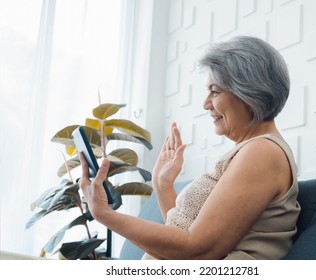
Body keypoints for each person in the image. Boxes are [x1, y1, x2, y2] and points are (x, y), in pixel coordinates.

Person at [79, 35, 301, 260]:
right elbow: (184, 238)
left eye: (214, 91)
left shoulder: (262, 152)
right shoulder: (252, 150)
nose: (206, 104)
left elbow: (197, 251)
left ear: (249, 92)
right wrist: (163, 185)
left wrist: (104, 213)